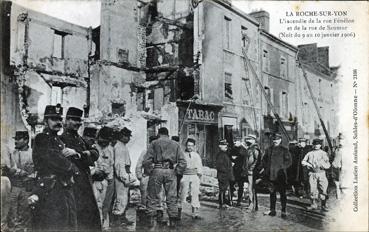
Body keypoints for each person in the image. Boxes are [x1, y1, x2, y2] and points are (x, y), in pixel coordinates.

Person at [30, 104, 79, 231]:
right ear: (46, 121)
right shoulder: (42, 138)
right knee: (52, 223)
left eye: (59, 119)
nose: (58, 122)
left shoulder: (58, 140)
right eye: (53, 119)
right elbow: (54, 160)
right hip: (49, 188)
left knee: (68, 222)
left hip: (63, 187)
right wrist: (72, 167)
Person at [60, 107, 101, 231]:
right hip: (71, 182)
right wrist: (83, 156)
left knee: (88, 214)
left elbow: (95, 153)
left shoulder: (81, 139)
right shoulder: (61, 140)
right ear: (66, 120)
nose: (77, 123)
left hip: (85, 182)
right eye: (73, 120)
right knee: (73, 214)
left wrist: (78, 154)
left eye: (79, 121)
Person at [143, 127, 187, 228]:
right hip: (170, 171)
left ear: (159, 134)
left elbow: (146, 161)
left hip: (157, 170)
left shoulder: (154, 143)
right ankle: (173, 224)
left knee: (152, 197)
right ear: (168, 134)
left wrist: (150, 171)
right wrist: (177, 171)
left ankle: (151, 225)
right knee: (172, 197)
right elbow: (183, 162)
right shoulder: (175, 144)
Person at [3, 131, 34, 231]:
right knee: (11, 211)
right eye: (15, 139)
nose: (16, 141)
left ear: (26, 140)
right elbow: (8, 169)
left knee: (26, 212)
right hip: (14, 187)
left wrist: (30, 177)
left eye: (18, 139)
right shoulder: (11, 153)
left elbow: (38, 171)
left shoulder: (33, 153)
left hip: (27, 188)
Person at [91, 126, 115, 229]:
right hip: (94, 181)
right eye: (103, 139)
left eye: (108, 140)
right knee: (96, 205)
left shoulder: (110, 149)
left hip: (106, 180)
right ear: (99, 137)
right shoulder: (93, 147)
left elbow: (111, 165)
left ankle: (105, 226)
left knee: (106, 205)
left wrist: (110, 181)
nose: (105, 142)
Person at [262, 133, 292, 218]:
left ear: (280, 140)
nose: (275, 141)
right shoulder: (269, 149)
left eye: (277, 140)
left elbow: (289, 161)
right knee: (272, 193)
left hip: (280, 175)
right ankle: (272, 210)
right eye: (274, 140)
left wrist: (281, 167)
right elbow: (264, 160)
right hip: (271, 175)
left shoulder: (284, 150)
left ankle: (283, 210)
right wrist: (266, 168)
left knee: (282, 193)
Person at [111, 127, 135, 226]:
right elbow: (119, 165)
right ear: (122, 136)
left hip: (125, 174)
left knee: (125, 198)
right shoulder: (119, 147)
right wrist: (124, 178)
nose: (129, 138)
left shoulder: (122, 146)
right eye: (127, 136)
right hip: (121, 176)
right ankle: (117, 218)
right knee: (121, 198)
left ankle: (122, 217)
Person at [302, 138, 331, 211]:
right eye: (315, 144)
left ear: (320, 145)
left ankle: (323, 205)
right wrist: (309, 164)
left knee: (323, 189)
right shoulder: (310, 153)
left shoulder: (323, 153)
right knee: (312, 189)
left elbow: (328, 164)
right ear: (313, 145)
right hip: (312, 174)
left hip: (321, 173)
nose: (316, 146)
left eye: (318, 144)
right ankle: (313, 205)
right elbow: (303, 161)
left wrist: (323, 165)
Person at [178, 138, 203, 219]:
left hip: (194, 175)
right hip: (185, 175)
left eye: (192, 146)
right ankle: (179, 212)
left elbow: (199, 166)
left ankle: (194, 212)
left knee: (194, 193)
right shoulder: (182, 154)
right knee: (182, 193)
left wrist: (199, 177)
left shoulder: (196, 155)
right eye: (188, 145)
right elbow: (179, 165)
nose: (190, 147)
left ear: (194, 146)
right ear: (186, 146)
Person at [136, 135, 158, 210]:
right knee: (144, 194)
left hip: (157, 177)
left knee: (157, 196)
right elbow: (139, 164)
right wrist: (140, 176)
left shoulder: (161, 152)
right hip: (147, 176)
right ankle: (144, 212)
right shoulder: (145, 152)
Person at [229, 136, 248, 207]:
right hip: (233, 171)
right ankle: (230, 200)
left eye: (236, 141)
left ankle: (239, 201)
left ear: (240, 141)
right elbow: (229, 158)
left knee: (241, 186)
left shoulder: (244, 150)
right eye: (234, 141)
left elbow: (245, 162)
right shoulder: (232, 149)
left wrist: (244, 172)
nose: (234, 142)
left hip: (240, 171)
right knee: (231, 185)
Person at [243, 134, 261, 209]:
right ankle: (253, 204)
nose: (247, 140)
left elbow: (257, 161)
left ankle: (252, 205)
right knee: (250, 188)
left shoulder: (255, 149)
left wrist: (251, 168)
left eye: (249, 139)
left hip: (252, 172)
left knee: (251, 188)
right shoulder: (249, 149)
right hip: (249, 171)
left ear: (253, 140)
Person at [215, 139, 234, 209]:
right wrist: (228, 169)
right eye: (223, 145)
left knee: (224, 189)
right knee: (222, 190)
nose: (226, 146)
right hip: (223, 175)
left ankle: (223, 203)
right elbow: (220, 166)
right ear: (220, 146)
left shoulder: (224, 154)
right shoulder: (220, 155)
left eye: (226, 145)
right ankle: (222, 204)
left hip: (225, 175)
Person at [332, 134, 343, 199]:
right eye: (339, 139)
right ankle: (338, 195)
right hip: (336, 166)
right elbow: (333, 158)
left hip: (342, 167)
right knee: (337, 183)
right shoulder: (336, 150)